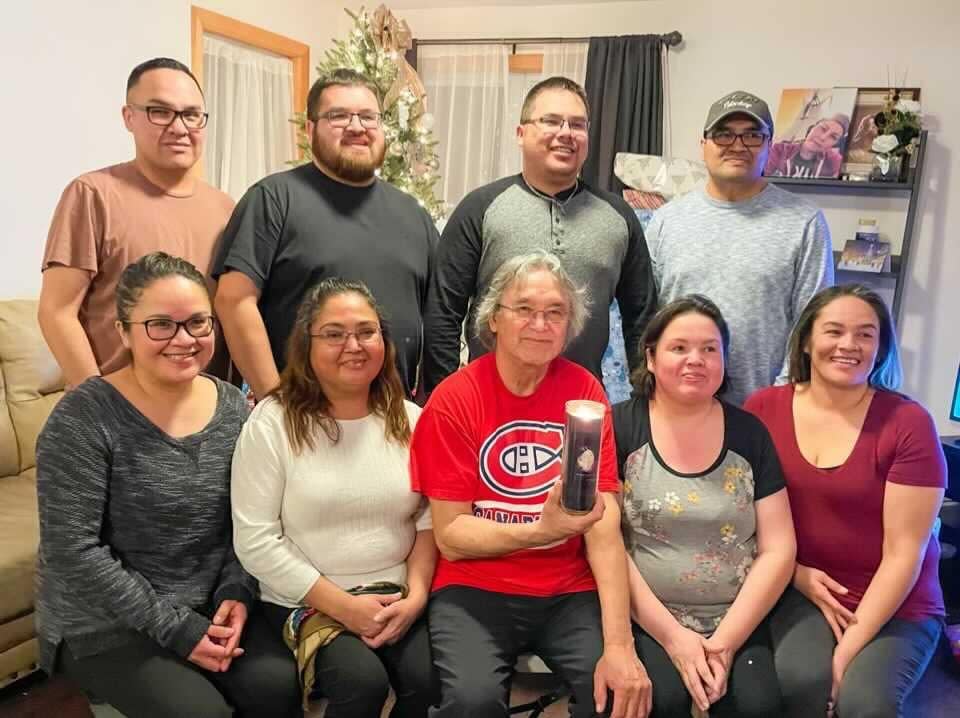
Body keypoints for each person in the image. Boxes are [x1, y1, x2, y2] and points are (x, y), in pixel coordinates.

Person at [34, 252, 300, 718]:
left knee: (280, 687)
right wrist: (175, 629)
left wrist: (236, 592)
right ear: (123, 332)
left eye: (198, 323)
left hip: (209, 605)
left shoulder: (235, 411)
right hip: (107, 620)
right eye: (161, 325)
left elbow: (250, 518)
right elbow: (72, 550)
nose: (184, 340)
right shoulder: (83, 418)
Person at [411, 251, 652, 718]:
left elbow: (603, 524)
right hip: (474, 587)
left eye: (555, 312)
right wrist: (541, 531)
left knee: (617, 692)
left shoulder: (583, 394)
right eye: (524, 309)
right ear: (494, 319)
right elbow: (453, 537)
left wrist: (620, 645)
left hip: (567, 588)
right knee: (471, 702)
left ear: (570, 326)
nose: (539, 324)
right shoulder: (454, 400)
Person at [231, 278, 437, 717]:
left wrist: (416, 596)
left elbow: (427, 521)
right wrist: (344, 607)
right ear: (307, 344)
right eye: (334, 334)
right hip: (307, 599)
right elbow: (255, 541)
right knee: (361, 682)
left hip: (396, 595)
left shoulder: (411, 420)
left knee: (429, 676)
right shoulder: (273, 422)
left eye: (367, 331)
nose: (354, 345)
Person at [745, 284, 946, 717]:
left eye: (865, 334)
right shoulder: (762, 408)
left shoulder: (909, 423)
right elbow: (745, 518)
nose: (848, 345)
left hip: (898, 602)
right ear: (806, 340)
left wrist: (848, 648)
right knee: (803, 684)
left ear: (881, 348)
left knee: (863, 704)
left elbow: (904, 554)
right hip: (804, 590)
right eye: (833, 331)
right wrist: (795, 573)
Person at [613, 295, 795, 717]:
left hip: (736, 617)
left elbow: (779, 548)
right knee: (660, 700)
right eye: (679, 347)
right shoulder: (619, 425)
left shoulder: (750, 433)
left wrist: (725, 644)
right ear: (651, 357)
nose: (695, 359)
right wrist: (675, 639)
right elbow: (606, 545)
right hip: (645, 616)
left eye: (709, 349)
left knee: (757, 706)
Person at [421, 76, 656, 395]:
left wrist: (646, 401)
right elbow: (443, 312)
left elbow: (642, 318)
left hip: (580, 406)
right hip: (488, 405)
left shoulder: (619, 218)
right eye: (551, 121)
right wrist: (444, 396)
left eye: (577, 124)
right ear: (521, 133)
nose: (565, 133)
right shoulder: (481, 208)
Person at [213, 68, 438, 400]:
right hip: (301, 417)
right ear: (310, 128)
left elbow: (438, 317)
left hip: (392, 422)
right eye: (338, 116)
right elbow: (233, 300)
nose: (357, 127)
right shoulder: (274, 199)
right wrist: (275, 403)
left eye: (368, 117)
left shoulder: (413, 214)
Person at [39, 57, 234, 387]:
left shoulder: (226, 207)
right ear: (129, 117)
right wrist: (99, 402)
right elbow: (57, 312)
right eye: (160, 112)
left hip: (203, 412)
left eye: (191, 115)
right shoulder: (92, 194)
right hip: (117, 412)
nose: (179, 127)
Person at [644, 90, 834, 405]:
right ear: (703, 143)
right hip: (675, 408)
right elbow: (649, 318)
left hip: (763, 412)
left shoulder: (804, 223)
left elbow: (813, 324)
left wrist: (781, 400)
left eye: (752, 136)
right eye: (724, 135)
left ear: (770, 146)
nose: (737, 146)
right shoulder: (666, 221)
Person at [766, 114, 850, 179]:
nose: (822, 137)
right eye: (823, 128)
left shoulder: (834, 161)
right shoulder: (780, 149)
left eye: (833, 137)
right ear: (812, 128)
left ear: (834, 144)